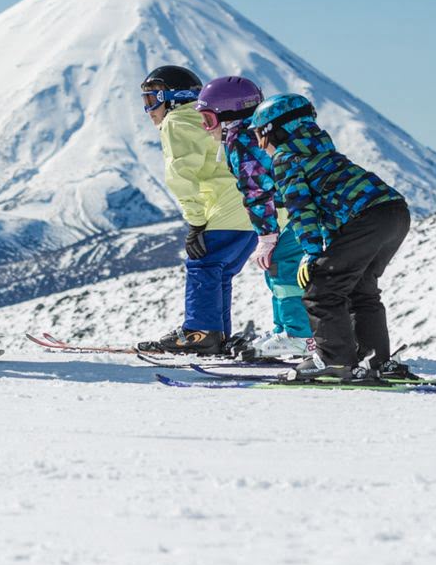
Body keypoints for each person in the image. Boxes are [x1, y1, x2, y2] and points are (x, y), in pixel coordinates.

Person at [247, 93, 412, 381]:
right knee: (360, 288)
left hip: (369, 218)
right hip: (394, 213)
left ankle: (333, 360)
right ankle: (376, 360)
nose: (262, 146)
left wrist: (311, 253)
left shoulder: (287, 158)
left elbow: (301, 209)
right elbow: (331, 208)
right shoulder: (323, 152)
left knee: (321, 288)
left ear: (277, 130)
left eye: (261, 137)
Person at [135, 65, 258, 355]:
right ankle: (216, 335)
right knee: (220, 271)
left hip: (223, 206)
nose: (149, 111)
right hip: (252, 210)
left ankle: (199, 333)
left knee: (202, 265)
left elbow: (181, 175)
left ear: (173, 98)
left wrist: (196, 223)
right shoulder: (208, 119)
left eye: (152, 100)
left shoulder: (177, 121)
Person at [194, 75, 314, 359]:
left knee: (284, 270)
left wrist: (267, 235)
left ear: (229, 115)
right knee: (278, 272)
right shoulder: (257, 133)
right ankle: (286, 330)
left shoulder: (241, 137)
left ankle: (298, 335)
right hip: (295, 213)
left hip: (289, 217)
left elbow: (256, 189)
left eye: (209, 120)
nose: (205, 128)